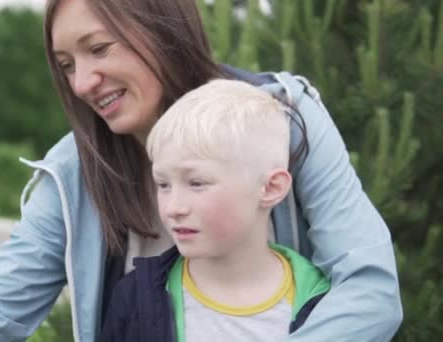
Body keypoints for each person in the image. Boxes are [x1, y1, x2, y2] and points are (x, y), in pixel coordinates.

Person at [0, 0, 402, 341]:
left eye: (98, 48)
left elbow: (371, 287)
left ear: (159, 24)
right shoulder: (75, 171)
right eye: (66, 65)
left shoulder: (286, 117)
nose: (82, 83)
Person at [99, 79, 331, 342]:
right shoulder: (135, 299)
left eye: (196, 183)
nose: (173, 207)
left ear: (270, 188)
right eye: (163, 184)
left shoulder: (323, 305)